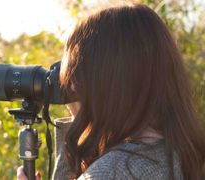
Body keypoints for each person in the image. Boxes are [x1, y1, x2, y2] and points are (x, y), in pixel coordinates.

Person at [17, 3, 205, 180]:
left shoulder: (110, 173)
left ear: (99, 82)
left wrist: (82, 114)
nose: (69, 86)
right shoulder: (185, 153)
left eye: (74, 73)